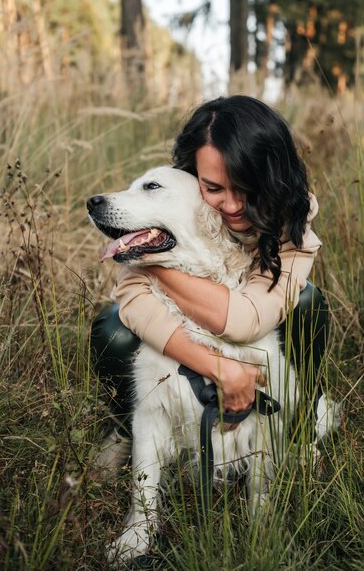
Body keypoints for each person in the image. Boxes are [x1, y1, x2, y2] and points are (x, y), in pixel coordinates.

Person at [91, 95, 329, 473]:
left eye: (245, 188)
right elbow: (131, 294)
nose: (233, 206)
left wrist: (155, 267)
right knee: (113, 327)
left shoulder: (290, 222)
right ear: (192, 177)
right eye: (214, 188)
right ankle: (126, 427)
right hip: (198, 337)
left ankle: (300, 430)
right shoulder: (174, 206)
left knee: (307, 303)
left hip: (253, 324)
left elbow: (244, 321)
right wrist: (218, 368)